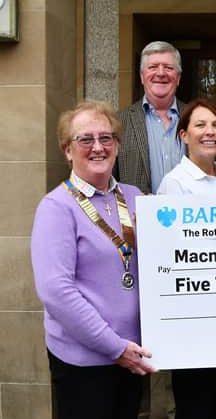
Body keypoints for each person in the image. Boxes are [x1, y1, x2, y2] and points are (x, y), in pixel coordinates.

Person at [31, 101, 156, 419]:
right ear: (67, 150)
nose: (98, 147)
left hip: (133, 355)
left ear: (117, 145)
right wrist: (115, 347)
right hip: (85, 362)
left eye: (106, 138)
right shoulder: (56, 207)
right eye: (85, 139)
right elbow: (56, 292)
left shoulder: (135, 197)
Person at [157, 98, 216, 418]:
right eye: (200, 125)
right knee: (196, 406)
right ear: (183, 135)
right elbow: (172, 255)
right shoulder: (174, 184)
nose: (210, 132)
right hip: (193, 324)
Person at [115, 41, 184, 194]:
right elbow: (107, 181)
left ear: (178, 78)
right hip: (136, 216)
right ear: (142, 76)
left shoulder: (196, 118)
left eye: (168, 67)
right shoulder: (119, 122)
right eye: (153, 67)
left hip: (190, 215)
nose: (160, 73)